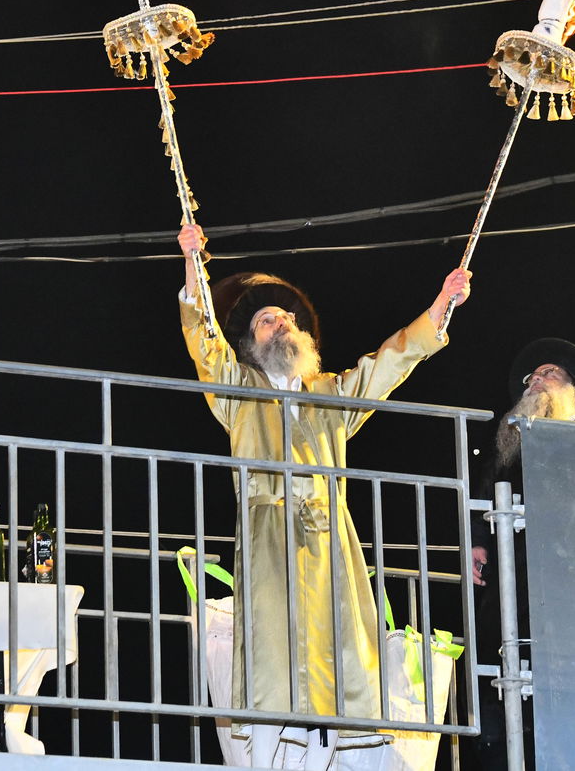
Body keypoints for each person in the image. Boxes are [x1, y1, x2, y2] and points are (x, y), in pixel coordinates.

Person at [178, 222, 471, 769]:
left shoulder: (331, 392)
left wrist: (439, 308)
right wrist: (194, 270)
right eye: (267, 320)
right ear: (252, 342)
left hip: (331, 541)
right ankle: (270, 762)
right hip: (268, 538)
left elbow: (389, 362)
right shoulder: (238, 390)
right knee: (272, 659)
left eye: (286, 318)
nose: (280, 323)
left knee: (340, 658)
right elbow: (205, 344)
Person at [468, 337, 575, 770]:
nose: (535, 382)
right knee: (498, 719)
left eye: (549, 375)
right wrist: (476, 541)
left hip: (572, 605)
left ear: (573, 395)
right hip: (508, 598)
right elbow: (484, 495)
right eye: (532, 377)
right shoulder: (505, 449)